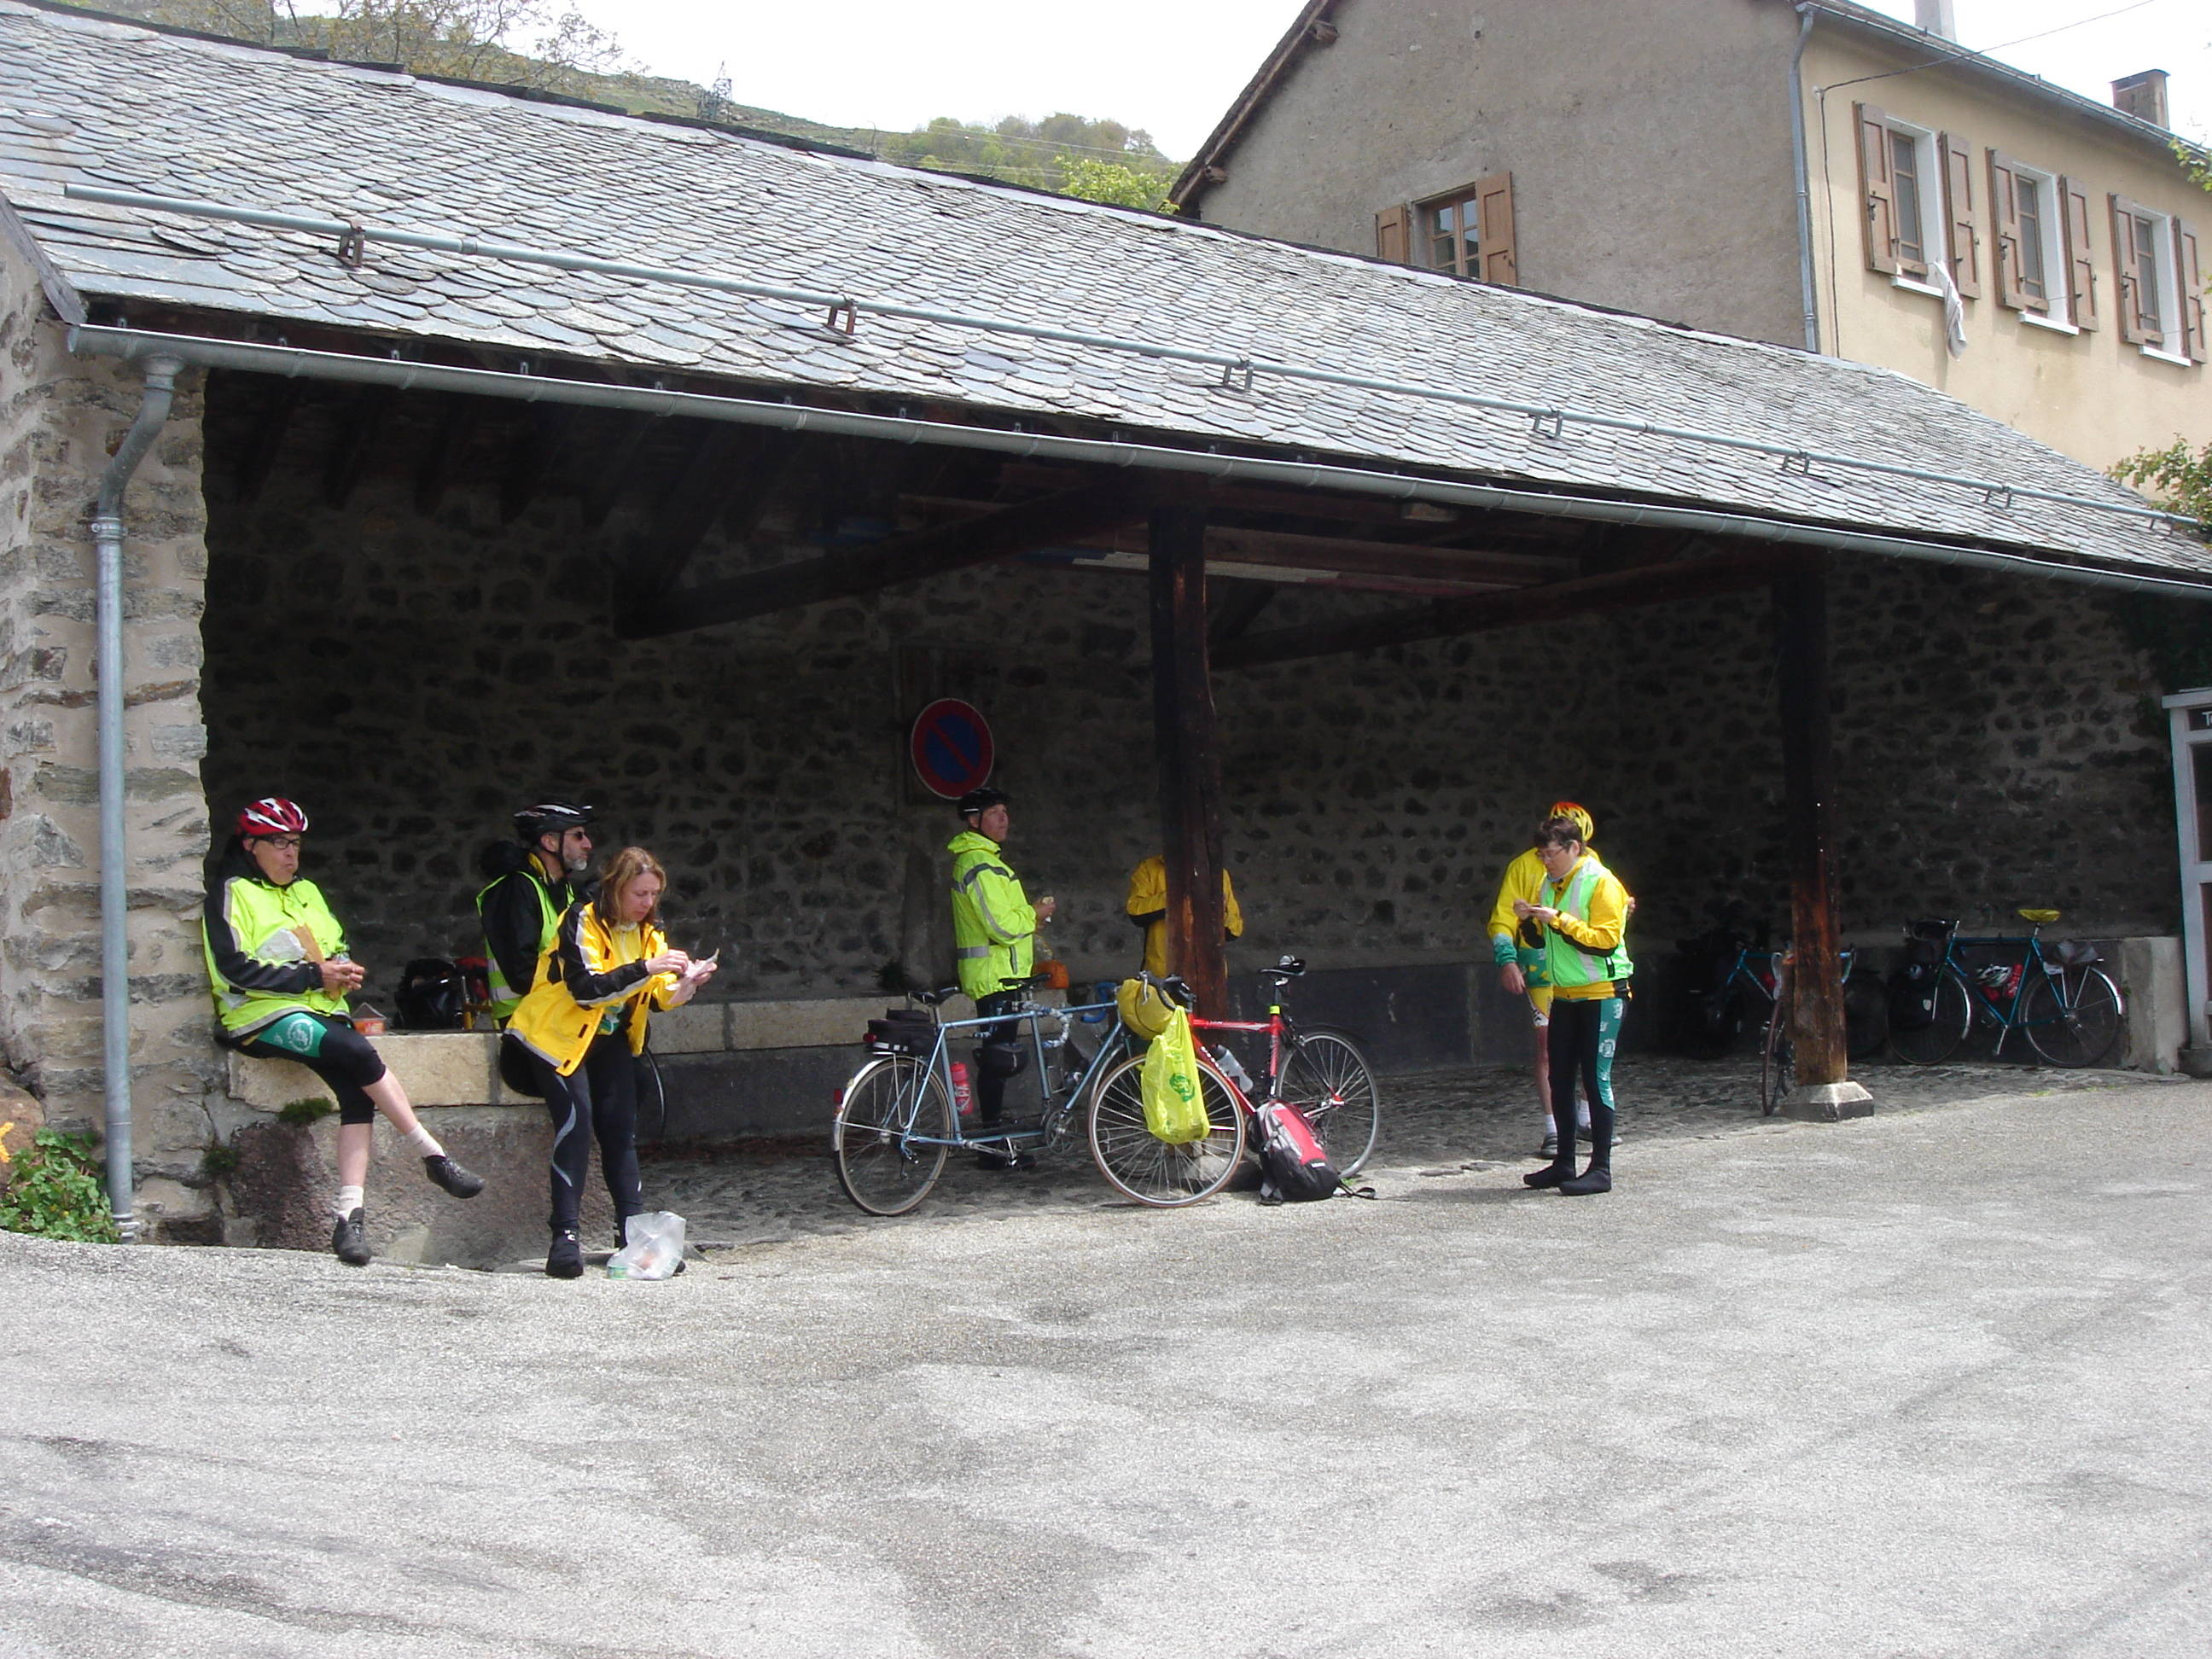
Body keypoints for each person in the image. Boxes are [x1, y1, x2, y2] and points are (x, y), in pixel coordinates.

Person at [201, 797, 484, 1266]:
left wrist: (342, 970)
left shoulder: (308, 891)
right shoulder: (233, 892)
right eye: (279, 843)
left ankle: (349, 1218)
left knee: (357, 1094)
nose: (290, 853)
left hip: (321, 1010)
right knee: (356, 1052)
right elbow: (234, 969)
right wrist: (315, 976)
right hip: (259, 1016)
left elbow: (334, 945)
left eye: (295, 844)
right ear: (250, 846)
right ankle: (432, 1155)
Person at [504, 846, 717, 1278]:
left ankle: (632, 1236)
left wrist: (688, 983)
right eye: (639, 894)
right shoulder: (582, 919)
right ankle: (564, 1238)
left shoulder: (649, 931)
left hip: (609, 1038)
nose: (647, 903)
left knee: (620, 1132)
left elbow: (657, 996)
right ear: (616, 888)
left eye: (654, 894)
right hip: (556, 1038)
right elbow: (587, 990)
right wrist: (647, 967)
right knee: (577, 1126)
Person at [1515, 816, 1633, 1196]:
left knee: (1596, 1080)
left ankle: (1600, 1169)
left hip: (1602, 994)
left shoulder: (1602, 882)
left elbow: (1605, 941)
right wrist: (1529, 920)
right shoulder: (1549, 884)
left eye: (1551, 854)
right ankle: (1564, 1162)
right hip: (1564, 993)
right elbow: (1542, 941)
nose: (1545, 861)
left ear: (1574, 849)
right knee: (1560, 1077)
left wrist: (1560, 921)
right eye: (1541, 855)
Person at [947, 787, 1053, 1167]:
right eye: (995, 813)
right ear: (974, 820)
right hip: (994, 978)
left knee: (999, 1059)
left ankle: (993, 1142)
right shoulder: (978, 863)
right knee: (996, 1062)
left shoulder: (988, 860)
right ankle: (991, 1149)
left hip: (1004, 976)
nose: (1004, 819)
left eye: (1006, 811)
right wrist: (1034, 914)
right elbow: (1001, 926)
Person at [1488, 800, 1598, 1159]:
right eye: (1546, 853)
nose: (1549, 859)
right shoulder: (1524, 866)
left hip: (1585, 969)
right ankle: (1554, 1127)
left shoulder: (1593, 866)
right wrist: (1507, 959)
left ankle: (1587, 1119)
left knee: (1591, 1045)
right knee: (1548, 1046)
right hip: (1542, 968)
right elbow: (1503, 917)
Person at [477, 799, 594, 1025]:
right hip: (526, 1021)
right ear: (550, 841)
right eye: (578, 836)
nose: (588, 844)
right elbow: (522, 972)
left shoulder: (562, 889)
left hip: (555, 1014)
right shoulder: (516, 889)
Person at [1126, 855, 1243, 978]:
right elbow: (1135, 911)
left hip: (1208, 974)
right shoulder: (1149, 868)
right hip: (1162, 974)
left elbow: (1235, 930)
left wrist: (1219, 913)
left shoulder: (1218, 873)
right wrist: (1175, 896)